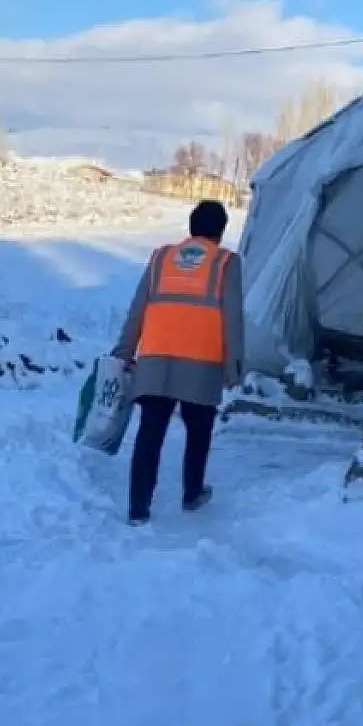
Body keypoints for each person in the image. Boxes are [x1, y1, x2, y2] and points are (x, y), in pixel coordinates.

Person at [112, 199, 245, 526]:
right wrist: (234, 366)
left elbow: (138, 309)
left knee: (149, 434)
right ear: (220, 232)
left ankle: (138, 509)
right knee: (199, 432)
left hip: (155, 360)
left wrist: (124, 351)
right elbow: (233, 318)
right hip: (202, 362)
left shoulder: (161, 258)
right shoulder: (226, 262)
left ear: (191, 226)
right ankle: (192, 493)